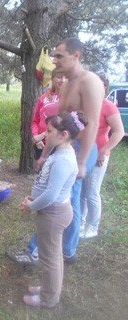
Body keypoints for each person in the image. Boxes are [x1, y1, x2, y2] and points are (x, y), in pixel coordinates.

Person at [8, 38, 103, 265]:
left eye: (59, 56)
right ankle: (42, 248)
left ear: (76, 55)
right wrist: (44, 155)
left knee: (67, 197)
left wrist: (81, 162)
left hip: (81, 150)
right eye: (54, 56)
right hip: (64, 146)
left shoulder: (90, 81)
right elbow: (58, 125)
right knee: (55, 195)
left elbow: (92, 125)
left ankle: (63, 250)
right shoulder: (67, 84)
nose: (54, 60)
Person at [20, 111, 87, 308]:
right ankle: (49, 289)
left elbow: (51, 194)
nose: (45, 134)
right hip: (53, 211)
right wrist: (33, 197)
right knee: (54, 255)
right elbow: (46, 185)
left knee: (49, 259)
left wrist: (31, 206)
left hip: (53, 214)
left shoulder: (63, 160)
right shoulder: (61, 153)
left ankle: (48, 299)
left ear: (64, 134)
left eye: (49, 131)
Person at [80, 73, 125, 239]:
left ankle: (93, 227)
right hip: (83, 152)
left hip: (98, 154)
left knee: (92, 192)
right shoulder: (85, 105)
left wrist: (103, 151)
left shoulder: (108, 106)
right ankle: (81, 222)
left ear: (104, 87)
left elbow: (119, 132)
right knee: (82, 191)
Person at [31, 69, 66, 159]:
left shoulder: (71, 99)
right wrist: (36, 137)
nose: (62, 80)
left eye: (65, 77)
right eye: (59, 77)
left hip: (61, 146)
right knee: (41, 172)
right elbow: (35, 121)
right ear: (52, 79)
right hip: (41, 144)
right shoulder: (43, 98)